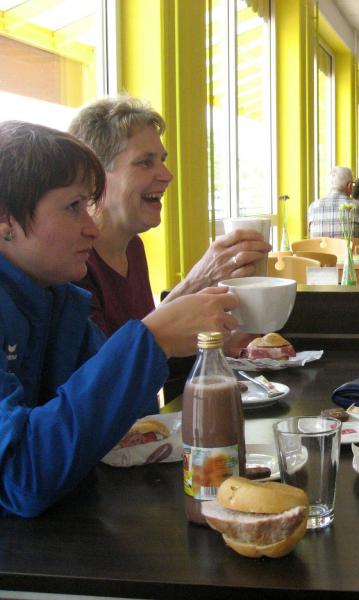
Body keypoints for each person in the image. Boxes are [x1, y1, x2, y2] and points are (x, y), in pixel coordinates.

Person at [0, 121, 239, 517]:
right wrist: (153, 339)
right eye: (73, 207)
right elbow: (22, 476)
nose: (91, 228)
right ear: (6, 219)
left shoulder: (59, 301)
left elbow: (134, 419)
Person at [67, 96, 269, 337]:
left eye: (162, 160)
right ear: (95, 174)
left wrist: (219, 344)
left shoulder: (132, 247)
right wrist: (197, 281)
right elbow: (109, 359)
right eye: (145, 163)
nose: (167, 175)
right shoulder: (74, 262)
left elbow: (151, 350)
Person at [308, 166, 359, 240]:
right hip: (349, 248)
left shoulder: (313, 207)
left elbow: (310, 237)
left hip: (319, 248)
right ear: (349, 185)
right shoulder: (358, 206)